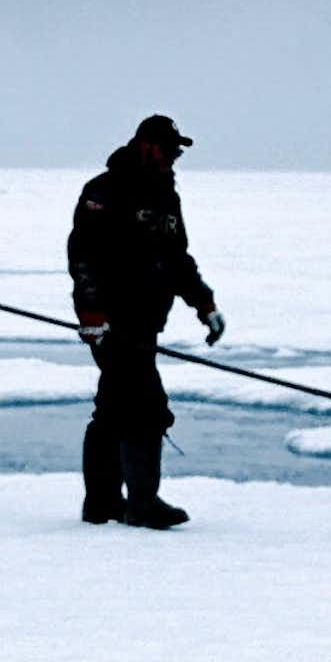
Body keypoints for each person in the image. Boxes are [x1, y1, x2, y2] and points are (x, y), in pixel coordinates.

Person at [67, 113, 225, 528]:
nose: (175, 157)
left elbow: (177, 259)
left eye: (178, 151)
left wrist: (204, 304)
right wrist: (92, 314)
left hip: (145, 321)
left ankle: (101, 504)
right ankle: (141, 502)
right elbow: (82, 257)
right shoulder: (103, 192)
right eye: (171, 149)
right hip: (110, 322)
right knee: (146, 407)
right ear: (149, 146)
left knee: (114, 407)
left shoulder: (165, 196)